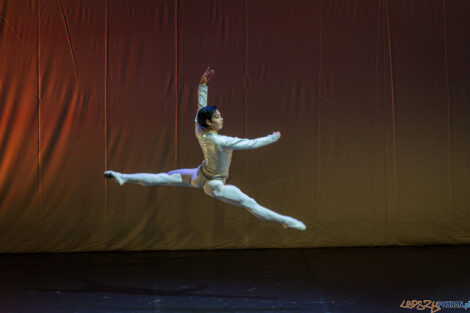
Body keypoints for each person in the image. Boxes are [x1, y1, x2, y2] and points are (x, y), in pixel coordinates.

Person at [104, 67, 306, 231]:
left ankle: (123, 176)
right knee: (251, 204)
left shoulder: (200, 130)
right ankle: (287, 221)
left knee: (162, 177)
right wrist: (273, 137)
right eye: (217, 117)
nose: (221, 118)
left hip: (199, 175)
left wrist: (202, 86)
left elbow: (200, 110)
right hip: (214, 184)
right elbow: (251, 143)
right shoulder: (222, 141)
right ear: (209, 122)